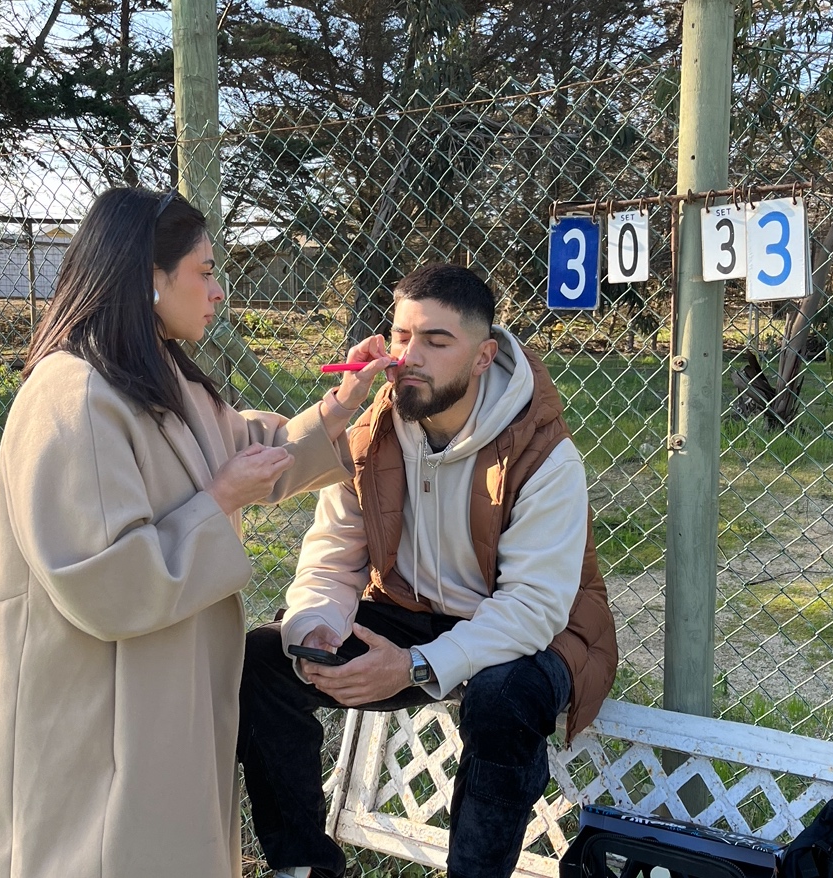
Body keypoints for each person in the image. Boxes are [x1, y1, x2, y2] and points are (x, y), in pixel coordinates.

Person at [0, 187, 392, 878]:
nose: (219, 290)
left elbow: (253, 451)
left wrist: (341, 405)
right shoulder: (73, 396)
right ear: (150, 277)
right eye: (204, 271)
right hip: (98, 713)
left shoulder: (160, 377)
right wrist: (218, 499)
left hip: (156, 695)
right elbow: (106, 583)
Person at [238, 263, 619, 878]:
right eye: (401, 336)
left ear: (482, 356)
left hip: (529, 635)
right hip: (411, 613)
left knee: (502, 697)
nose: (409, 357)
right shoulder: (372, 434)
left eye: (436, 341)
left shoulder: (544, 455)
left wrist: (415, 665)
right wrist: (315, 626)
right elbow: (333, 555)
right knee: (264, 657)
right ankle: (304, 867)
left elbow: (534, 608)